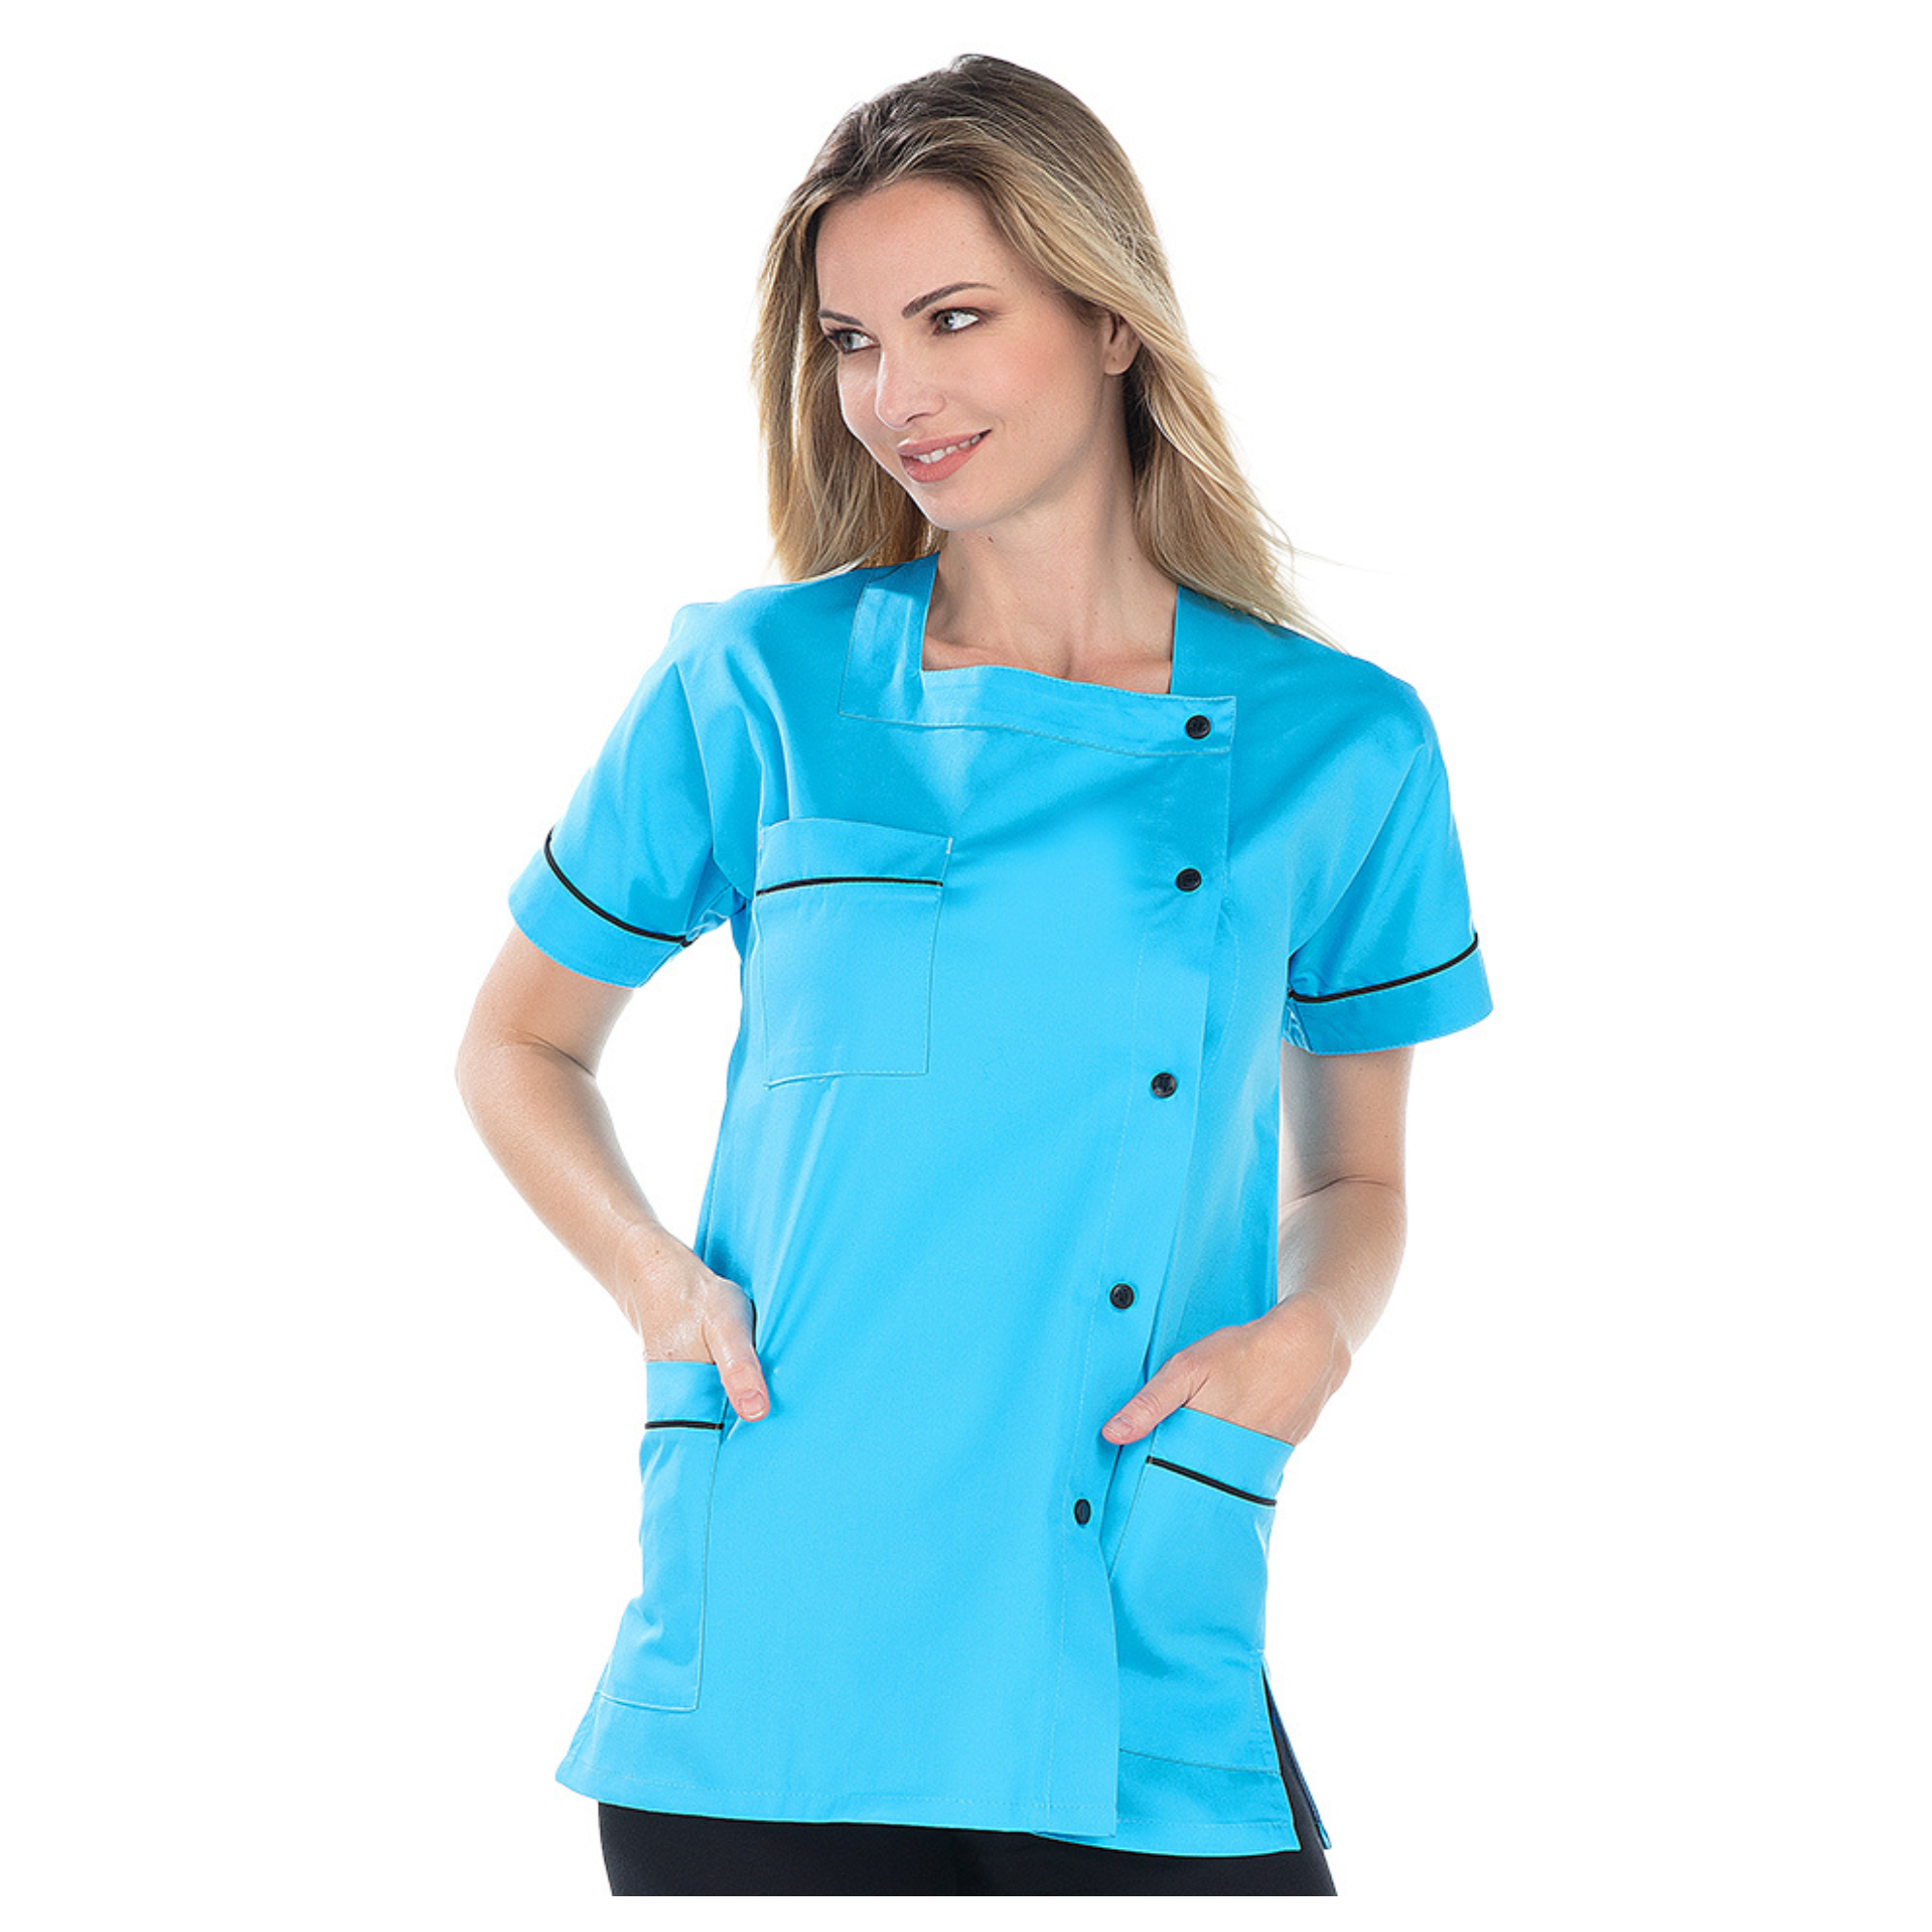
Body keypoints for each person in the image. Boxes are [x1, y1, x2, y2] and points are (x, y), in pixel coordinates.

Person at [456, 51, 1493, 1898]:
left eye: (955, 319)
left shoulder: (1343, 743)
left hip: (1126, 1587)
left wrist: (1313, 1339)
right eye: (853, 342)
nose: (896, 397)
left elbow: (1359, 1177)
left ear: (1111, 318)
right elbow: (519, 1043)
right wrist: (660, 1289)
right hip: (780, 1618)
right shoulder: (754, 684)